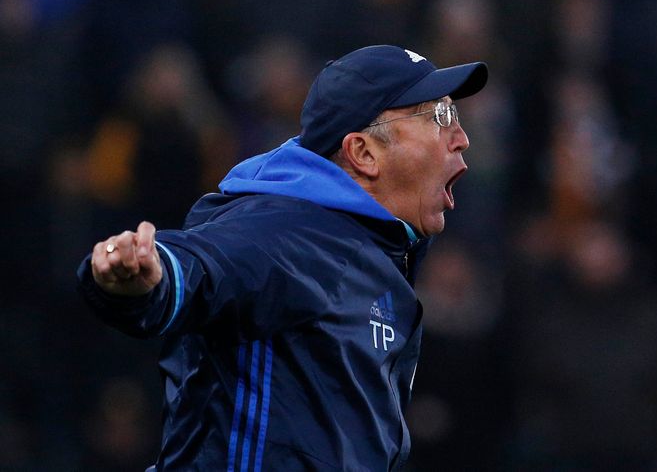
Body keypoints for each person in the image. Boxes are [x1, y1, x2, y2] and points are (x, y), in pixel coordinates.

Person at [76, 45, 488, 471]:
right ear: (364, 153)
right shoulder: (290, 231)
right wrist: (149, 276)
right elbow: (205, 262)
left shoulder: (379, 251)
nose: (462, 138)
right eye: (439, 116)